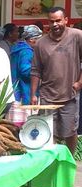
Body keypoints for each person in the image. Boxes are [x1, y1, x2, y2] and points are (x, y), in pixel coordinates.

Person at [31, 7, 82, 154]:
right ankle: (52, 162)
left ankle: (70, 160)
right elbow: (35, 70)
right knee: (47, 131)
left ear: (66, 20)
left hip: (70, 95)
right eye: (51, 21)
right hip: (47, 96)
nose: (55, 24)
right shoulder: (41, 43)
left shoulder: (77, 36)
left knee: (70, 132)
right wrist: (33, 94)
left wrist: (79, 82)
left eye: (58, 20)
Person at [11, 25, 43, 105]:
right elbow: (25, 71)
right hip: (24, 92)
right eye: (39, 39)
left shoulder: (18, 48)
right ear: (32, 39)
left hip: (16, 91)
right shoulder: (26, 52)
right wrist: (42, 71)